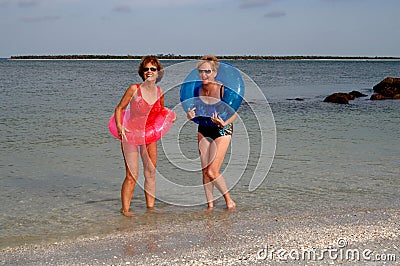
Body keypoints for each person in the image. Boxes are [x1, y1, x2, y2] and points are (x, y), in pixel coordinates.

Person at [114, 55, 169, 216]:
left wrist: (170, 117)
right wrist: (119, 126)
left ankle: (150, 209)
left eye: (153, 69)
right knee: (132, 175)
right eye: (146, 69)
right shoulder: (134, 89)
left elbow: (160, 113)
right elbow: (119, 109)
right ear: (142, 72)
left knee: (150, 172)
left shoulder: (160, 91)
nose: (149, 72)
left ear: (158, 73)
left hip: (149, 136)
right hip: (131, 135)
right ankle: (125, 211)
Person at [186, 55, 237, 210]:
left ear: (214, 73)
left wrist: (225, 122)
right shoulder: (197, 90)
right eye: (201, 71)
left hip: (222, 129)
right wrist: (190, 117)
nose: (204, 75)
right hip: (203, 128)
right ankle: (210, 206)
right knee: (204, 171)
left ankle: (229, 201)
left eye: (208, 71)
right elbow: (193, 110)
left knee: (212, 171)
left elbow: (234, 113)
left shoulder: (222, 90)